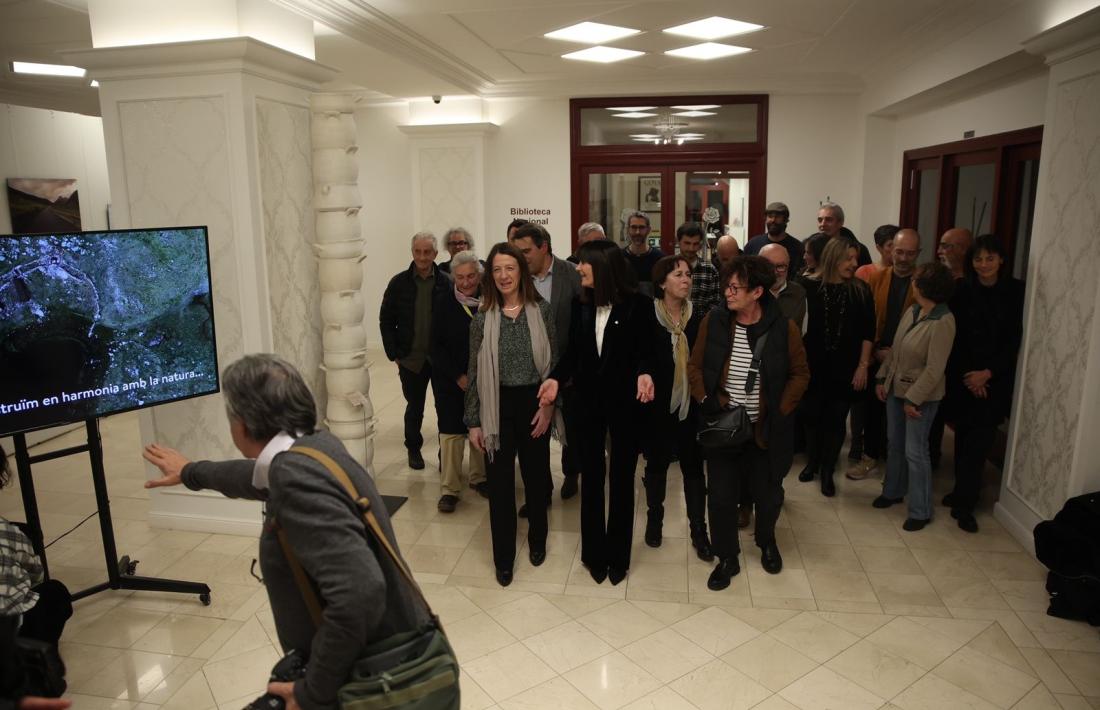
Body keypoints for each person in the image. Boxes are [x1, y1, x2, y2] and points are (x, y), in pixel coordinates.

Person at [142, 354, 429, 710]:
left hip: (366, 678)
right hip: (389, 652)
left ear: (243, 426)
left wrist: (312, 692)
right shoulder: (314, 449)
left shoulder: (296, 476)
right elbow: (258, 477)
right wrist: (191, 472)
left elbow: (360, 591)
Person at [688, 256, 810, 589]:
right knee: (721, 498)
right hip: (724, 429)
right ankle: (727, 556)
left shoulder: (784, 328)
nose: (726, 292)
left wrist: (782, 408)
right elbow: (695, 367)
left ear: (757, 291)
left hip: (765, 431)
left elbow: (800, 374)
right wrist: (706, 400)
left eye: (734, 287)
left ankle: (766, 542)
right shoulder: (714, 322)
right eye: (726, 285)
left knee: (768, 495)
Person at [544, 240, 655, 586]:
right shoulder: (581, 305)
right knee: (591, 477)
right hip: (587, 405)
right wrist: (554, 380)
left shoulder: (640, 305)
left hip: (625, 405)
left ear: (602, 267)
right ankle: (594, 554)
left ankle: (618, 556)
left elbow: (649, 351)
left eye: (583, 264)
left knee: (621, 479)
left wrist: (645, 371)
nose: (577, 268)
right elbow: (573, 356)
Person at [464, 242, 558, 587]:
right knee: (501, 487)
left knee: (536, 479)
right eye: (498, 269)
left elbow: (555, 364)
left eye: (510, 268)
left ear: (521, 271)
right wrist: (473, 420)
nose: (504, 275)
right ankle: (503, 558)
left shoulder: (541, 310)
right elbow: (474, 373)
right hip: (495, 406)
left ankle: (537, 541)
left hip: (535, 402)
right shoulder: (482, 319)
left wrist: (548, 407)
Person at [943, 235, 1024, 532]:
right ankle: (960, 491)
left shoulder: (1016, 292)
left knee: (979, 444)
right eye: (978, 259)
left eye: (990, 258)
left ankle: (966, 505)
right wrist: (969, 376)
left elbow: (1013, 341)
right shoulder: (962, 290)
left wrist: (987, 373)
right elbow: (955, 336)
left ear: (1001, 259)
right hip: (963, 378)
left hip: (994, 381)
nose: (984, 264)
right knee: (962, 439)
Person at [874, 261, 957, 531]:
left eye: (916, 279)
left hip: (921, 398)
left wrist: (913, 400)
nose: (912, 281)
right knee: (894, 444)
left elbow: (935, 369)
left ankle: (921, 510)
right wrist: (882, 378)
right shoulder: (913, 310)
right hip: (896, 389)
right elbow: (896, 352)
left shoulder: (944, 321)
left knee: (916, 452)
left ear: (923, 285)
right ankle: (893, 491)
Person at [641, 255, 713, 560]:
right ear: (662, 283)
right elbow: (638, 356)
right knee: (656, 463)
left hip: (691, 406)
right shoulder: (647, 316)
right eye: (678, 275)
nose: (686, 280)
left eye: (688, 275)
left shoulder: (699, 318)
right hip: (656, 406)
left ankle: (699, 529)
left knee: (693, 467)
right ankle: (654, 519)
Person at [797, 238, 876, 496]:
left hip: (846, 367)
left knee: (836, 419)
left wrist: (863, 366)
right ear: (832, 257)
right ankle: (813, 462)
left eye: (856, 258)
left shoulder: (860, 290)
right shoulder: (805, 286)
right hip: (813, 365)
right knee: (811, 417)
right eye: (849, 258)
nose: (854, 264)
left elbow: (868, 332)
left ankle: (828, 470)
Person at [511, 224, 583, 502]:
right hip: (530, 372)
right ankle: (539, 492)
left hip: (569, 369)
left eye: (526, 251)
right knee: (534, 434)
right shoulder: (516, 278)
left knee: (572, 433)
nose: (521, 257)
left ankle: (571, 473)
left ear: (544, 247)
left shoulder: (572, 276)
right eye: (517, 251)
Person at [1, 446, 73, 710]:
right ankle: (41, 673)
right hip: (9, 631)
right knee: (53, 593)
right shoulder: (8, 533)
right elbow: (35, 574)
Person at [379, 232, 452, 470]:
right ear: (412, 252)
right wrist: (394, 354)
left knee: (445, 408)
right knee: (415, 408)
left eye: (427, 252)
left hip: (440, 360)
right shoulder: (398, 283)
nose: (422, 257)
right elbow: (386, 320)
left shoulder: (447, 282)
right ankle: (413, 448)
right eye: (418, 252)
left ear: (435, 254)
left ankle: (446, 455)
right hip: (410, 360)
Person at [855, 229, 920, 481]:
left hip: (908, 360)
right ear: (890, 250)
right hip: (876, 354)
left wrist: (896, 353)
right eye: (899, 251)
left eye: (910, 253)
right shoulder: (876, 279)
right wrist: (878, 350)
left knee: (901, 416)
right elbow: (867, 319)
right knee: (873, 411)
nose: (903, 258)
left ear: (918, 254)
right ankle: (869, 457)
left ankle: (896, 468)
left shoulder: (922, 282)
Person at [430, 250, 488, 512]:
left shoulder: (489, 300)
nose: (466, 283)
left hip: (484, 379)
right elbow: (434, 346)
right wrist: (458, 376)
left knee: (480, 427)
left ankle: (479, 478)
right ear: (453, 277)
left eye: (471, 276)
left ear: (479, 275)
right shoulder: (442, 301)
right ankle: (450, 489)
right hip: (450, 380)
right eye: (461, 277)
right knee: (452, 432)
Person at [744, 202, 804, 275]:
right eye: (770, 216)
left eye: (778, 216)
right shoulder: (752, 244)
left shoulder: (797, 247)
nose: (773, 220)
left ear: (786, 220)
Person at [675, 222, 721, 313]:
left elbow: (715, 304)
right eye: (687, 243)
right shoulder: (668, 267)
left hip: (700, 323)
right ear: (678, 242)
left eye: (695, 244)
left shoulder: (710, 270)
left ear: (700, 244)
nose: (691, 248)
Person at [760, 243, 807, 330]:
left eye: (780, 266)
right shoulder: (750, 292)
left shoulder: (799, 293)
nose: (774, 272)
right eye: (769, 266)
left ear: (788, 266)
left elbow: (802, 330)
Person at [622, 211, 664, 296]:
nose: (637, 232)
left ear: (648, 230)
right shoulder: (619, 257)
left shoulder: (660, 259)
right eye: (633, 227)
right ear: (628, 230)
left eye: (641, 227)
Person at [816, 202, 872, 266]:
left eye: (829, 220)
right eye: (820, 220)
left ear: (840, 223)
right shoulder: (812, 247)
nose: (823, 224)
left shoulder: (859, 250)